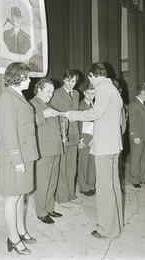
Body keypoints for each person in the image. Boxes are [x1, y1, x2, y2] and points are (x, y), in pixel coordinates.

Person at [66, 62, 123, 239]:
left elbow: (94, 114)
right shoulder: (113, 89)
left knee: (104, 189)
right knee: (113, 186)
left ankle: (107, 230)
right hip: (113, 145)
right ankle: (116, 225)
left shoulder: (104, 88)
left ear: (92, 75)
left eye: (90, 78)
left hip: (105, 147)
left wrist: (72, 114)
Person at [0, 62, 38, 255]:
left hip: (25, 154)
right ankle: (13, 238)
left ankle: (21, 230)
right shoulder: (7, 98)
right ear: (17, 77)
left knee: (21, 194)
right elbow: (8, 132)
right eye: (27, 77)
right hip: (15, 157)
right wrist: (17, 159)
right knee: (12, 197)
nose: (30, 80)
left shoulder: (17, 95)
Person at [29, 78, 63, 224]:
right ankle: (41, 212)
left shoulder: (48, 104)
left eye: (52, 92)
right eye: (48, 91)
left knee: (52, 181)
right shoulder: (30, 104)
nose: (51, 94)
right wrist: (43, 115)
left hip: (55, 148)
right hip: (43, 150)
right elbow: (27, 122)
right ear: (39, 90)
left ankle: (49, 208)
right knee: (43, 183)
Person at [50, 69, 81, 208]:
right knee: (62, 167)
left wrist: (79, 136)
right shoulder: (56, 93)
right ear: (64, 80)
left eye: (74, 81)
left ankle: (70, 194)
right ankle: (62, 197)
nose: (71, 84)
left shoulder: (76, 94)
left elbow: (78, 115)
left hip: (74, 135)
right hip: (61, 135)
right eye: (69, 81)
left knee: (71, 167)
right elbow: (53, 115)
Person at [128, 83, 145, 188]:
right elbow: (132, 122)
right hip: (138, 137)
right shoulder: (133, 105)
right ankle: (135, 179)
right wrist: (134, 136)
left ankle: (144, 178)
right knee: (136, 158)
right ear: (142, 92)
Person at [77, 86, 96, 196]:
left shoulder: (96, 105)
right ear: (84, 93)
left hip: (94, 137)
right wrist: (79, 139)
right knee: (83, 163)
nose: (90, 96)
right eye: (88, 93)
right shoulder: (80, 105)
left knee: (93, 163)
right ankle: (83, 187)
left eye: (92, 94)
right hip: (84, 137)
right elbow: (77, 122)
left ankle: (91, 185)